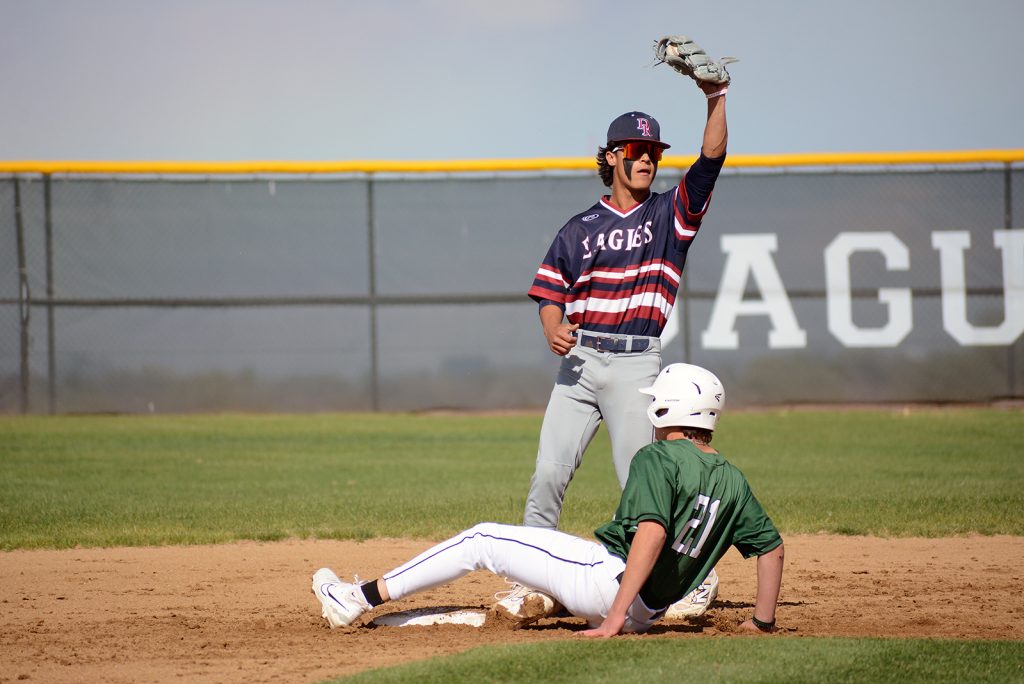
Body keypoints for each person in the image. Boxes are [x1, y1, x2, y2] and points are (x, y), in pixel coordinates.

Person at [312, 363, 785, 636]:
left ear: (668, 409)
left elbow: (653, 533)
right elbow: (772, 549)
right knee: (559, 555)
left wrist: (614, 618)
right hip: (650, 610)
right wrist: (762, 624)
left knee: (481, 539)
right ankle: (550, 602)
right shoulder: (734, 480)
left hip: (612, 589)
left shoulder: (659, 457)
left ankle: (355, 598)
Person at [510, 70, 732, 621]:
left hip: (637, 364)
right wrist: (550, 324)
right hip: (581, 365)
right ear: (609, 157)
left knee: (646, 482)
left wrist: (716, 99)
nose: (646, 159)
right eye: (635, 149)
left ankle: (680, 581)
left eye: (653, 150)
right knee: (548, 473)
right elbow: (550, 291)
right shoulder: (579, 228)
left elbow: (710, 162)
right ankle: (536, 580)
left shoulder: (670, 216)